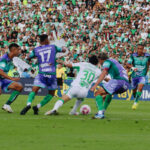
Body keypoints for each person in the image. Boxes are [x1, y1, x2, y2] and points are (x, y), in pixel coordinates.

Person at [20, 34, 66, 115]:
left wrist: (32, 58)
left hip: (41, 73)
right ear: (45, 40)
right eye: (48, 39)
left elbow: (28, 58)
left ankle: (28, 104)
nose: (49, 40)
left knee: (34, 90)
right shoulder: (53, 47)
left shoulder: (36, 49)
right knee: (51, 94)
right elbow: (63, 50)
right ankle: (37, 106)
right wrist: (64, 47)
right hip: (51, 74)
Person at [91, 52, 130, 119]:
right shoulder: (114, 61)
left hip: (118, 81)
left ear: (100, 59)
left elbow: (103, 73)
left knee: (98, 93)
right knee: (108, 94)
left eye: (99, 60)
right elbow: (112, 79)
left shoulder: (107, 62)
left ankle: (100, 114)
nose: (99, 62)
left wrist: (95, 85)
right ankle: (102, 111)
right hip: (126, 84)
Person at [0, 43, 23, 113]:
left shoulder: (11, 59)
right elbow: (0, 71)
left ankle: (7, 105)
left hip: (3, 79)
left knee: (19, 87)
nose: (20, 51)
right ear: (13, 50)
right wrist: (11, 78)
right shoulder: (4, 58)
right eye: (18, 50)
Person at [127, 44, 150, 110]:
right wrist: (133, 67)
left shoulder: (147, 56)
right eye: (138, 48)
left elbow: (148, 63)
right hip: (134, 75)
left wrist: (146, 71)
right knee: (134, 90)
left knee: (140, 87)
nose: (140, 50)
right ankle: (135, 99)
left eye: (141, 49)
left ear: (143, 49)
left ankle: (136, 102)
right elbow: (128, 64)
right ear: (137, 49)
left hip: (142, 75)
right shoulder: (133, 56)